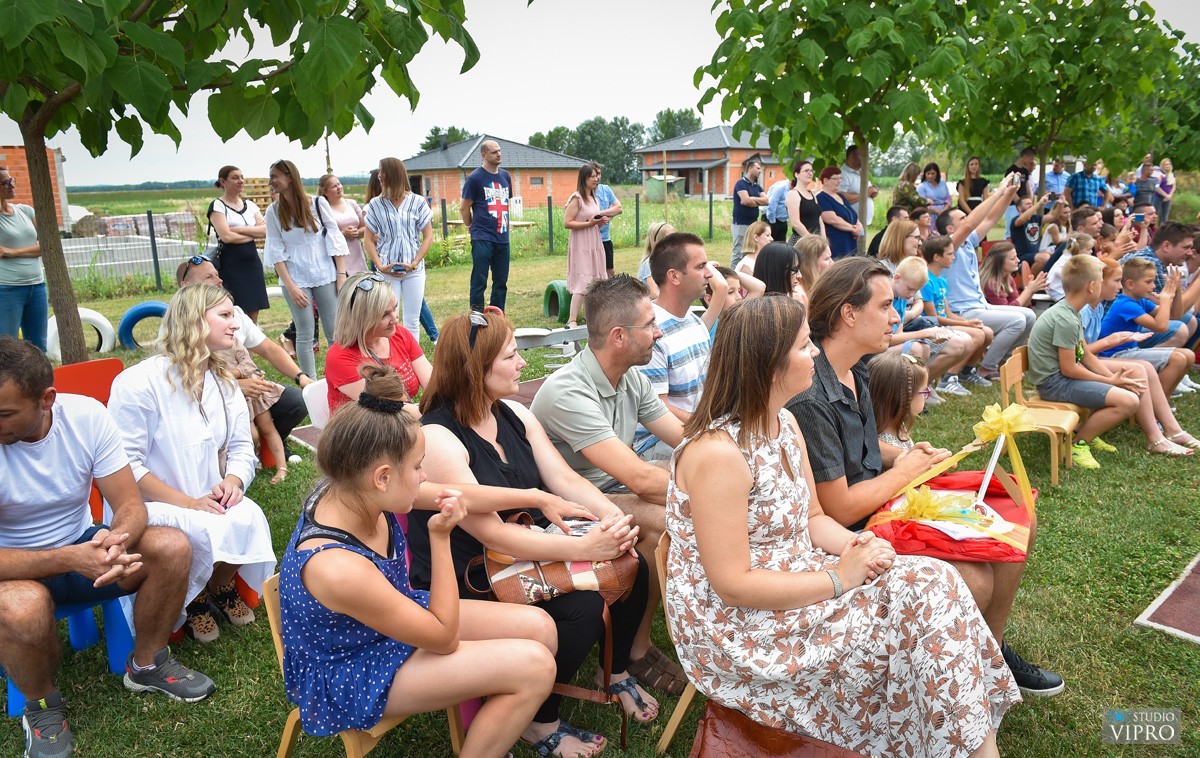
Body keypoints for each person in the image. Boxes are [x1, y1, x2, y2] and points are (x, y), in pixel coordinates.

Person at [666, 296, 1018, 757]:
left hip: (795, 578)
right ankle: (963, 744)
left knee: (935, 581)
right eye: (802, 345)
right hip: (742, 629)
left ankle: (965, 743)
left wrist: (861, 545)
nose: (814, 353)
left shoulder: (784, 422)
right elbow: (733, 586)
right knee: (924, 608)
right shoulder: (718, 455)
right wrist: (840, 577)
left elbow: (812, 519)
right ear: (768, 365)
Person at [788, 256, 1062, 696]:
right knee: (974, 577)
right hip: (852, 533)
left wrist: (905, 456)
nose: (896, 316)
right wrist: (906, 471)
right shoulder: (810, 396)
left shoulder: (855, 365)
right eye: (885, 306)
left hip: (880, 505)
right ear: (848, 313)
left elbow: (858, 444)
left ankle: (989, 652)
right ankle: (956, 671)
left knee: (1014, 519)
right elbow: (838, 509)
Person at [279, 364, 558, 758]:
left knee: (541, 628)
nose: (424, 476)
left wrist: (537, 496)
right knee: (535, 667)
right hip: (350, 667)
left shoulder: (354, 485)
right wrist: (439, 537)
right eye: (418, 467)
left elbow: (457, 493)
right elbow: (443, 638)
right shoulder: (336, 567)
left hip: (385, 620)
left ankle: (502, 723)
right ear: (382, 477)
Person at [409, 310, 654, 757]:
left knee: (633, 559)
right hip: (471, 577)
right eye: (511, 355)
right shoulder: (440, 438)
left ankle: (614, 673)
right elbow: (494, 536)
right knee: (581, 605)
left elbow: (565, 480)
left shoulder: (514, 414)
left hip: (522, 554)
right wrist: (581, 546)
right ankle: (540, 722)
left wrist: (610, 520)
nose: (523, 363)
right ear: (474, 371)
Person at [0, 336, 215, 757]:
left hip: (86, 545)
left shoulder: (85, 416)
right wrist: (69, 558)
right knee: (21, 608)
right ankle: (42, 707)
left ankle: (147, 663)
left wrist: (115, 543)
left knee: (171, 546)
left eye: (4, 413)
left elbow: (130, 504)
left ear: (47, 399)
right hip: (15, 567)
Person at [531, 276, 688, 693]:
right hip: (574, 509)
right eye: (650, 324)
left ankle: (653, 635)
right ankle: (635, 651)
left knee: (673, 495)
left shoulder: (629, 377)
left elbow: (681, 437)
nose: (658, 331)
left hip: (612, 492)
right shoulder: (569, 391)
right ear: (619, 336)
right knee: (661, 520)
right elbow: (636, 478)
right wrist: (707, 491)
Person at [108, 285, 276, 643]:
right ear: (195, 321)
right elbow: (126, 466)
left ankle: (218, 585)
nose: (236, 324)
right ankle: (193, 598)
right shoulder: (139, 383)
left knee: (249, 516)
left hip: (208, 496)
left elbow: (242, 447)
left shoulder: (223, 381)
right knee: (200, 525)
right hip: (155, 504)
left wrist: (233, 481)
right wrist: (188, 502)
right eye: (226, 315)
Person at [177, 255, 312, 462]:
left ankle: (270, 444)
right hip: (208, 401)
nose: (219, 281)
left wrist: (301, 376)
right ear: (185, 286)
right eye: (208, 277)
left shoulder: (236, 314)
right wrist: (234, 385)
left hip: (245, 391)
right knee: (244, 429)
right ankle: (236, 453)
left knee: (296, 402)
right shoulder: (178, 327)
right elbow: (186, 386)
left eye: (217, 275)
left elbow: (270, 349)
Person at [1025, 256, 1142, 469]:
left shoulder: (1070, 310)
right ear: (1092, 286)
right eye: (1101, 281)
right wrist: (1110, 381)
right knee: (1129, 402)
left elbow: (1085, 354)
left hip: (1059, 379)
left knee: (1124, 394)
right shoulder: (1066, 319)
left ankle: (1087, 432)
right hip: (1054, 384)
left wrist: (1110, 378)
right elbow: (1069, 368)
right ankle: (1078, 445)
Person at [1085, 257, 1198, 455]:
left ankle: (1163, 422)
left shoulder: (1139, 301)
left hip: (1127, 352)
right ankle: (1159, 422)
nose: (1153, 286)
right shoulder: (1125, 304)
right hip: (1115, 355)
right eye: (1149, 281)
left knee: (1187, 355)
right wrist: (1164, 299)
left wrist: (1176, 291)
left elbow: (1175, 316)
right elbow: (1162, 326)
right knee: (1178, 358)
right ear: (1131, 284)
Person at [941, 173, 1033, 381]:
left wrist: (1009, 195)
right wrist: (998, 192)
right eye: (962, 217)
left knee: (1029, 316)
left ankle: (1003, 363)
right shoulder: (948, 245)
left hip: (979, 305)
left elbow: (991, 219)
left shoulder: (967, 241)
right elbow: (968, 225)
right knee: (1017, 321)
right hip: (962, 310)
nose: (969, 218)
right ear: (949, 228)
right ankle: (986, 368)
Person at [265, 158, 349, 379]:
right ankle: (310, 383)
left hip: (324, 275)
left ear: (289, 177)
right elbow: (276, 252)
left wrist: (340, 275)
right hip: (295, 279)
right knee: (304, 332)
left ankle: (336, 378)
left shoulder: (319, 204)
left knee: (334, 331)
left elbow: (335, 238)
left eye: (274, 176)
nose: (270, 181)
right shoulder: (273, 212)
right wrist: (291, 287)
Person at [633, 233, 714, 459]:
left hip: (694, 430)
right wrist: (709, 428)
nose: (709, 273)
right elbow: (657, 408)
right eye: (701, 266)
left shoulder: (694, 322)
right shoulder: (652, 331)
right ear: (674, 276)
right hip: (655, 443)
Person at [325, 271, 431, 416]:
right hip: (364, 432)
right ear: (360, 319)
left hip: (402, 423)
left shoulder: (400, 334)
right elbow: (390, 409)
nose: (395, 319)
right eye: (384, 315)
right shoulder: (339, 357)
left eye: (394, 308)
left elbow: (433, 384)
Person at [364, 157, 434, 342]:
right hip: (387, 271)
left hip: (414, 271)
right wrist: (380, 266)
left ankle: (412, 362)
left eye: (382, 171)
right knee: (389, 319)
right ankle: (393, 361)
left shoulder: (417, 202)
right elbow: (368, 240)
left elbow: (428, 237)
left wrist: (415, 262)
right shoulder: (375, 205)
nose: (379, 176)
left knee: (412, 320)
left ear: (393, 174)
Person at [920, 236, 995, 390]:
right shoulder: (927, 281)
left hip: (944, 324)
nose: (953, 257)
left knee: (987, 332)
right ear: (936, 257)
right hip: (933, 328)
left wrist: (968, 322)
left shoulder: (942, 280)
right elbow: (933, 318)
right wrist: (965, 323)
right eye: (949, 254)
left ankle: (966, 372)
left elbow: (947, 312)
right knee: (978, 334)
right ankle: (948, 379)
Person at [207, 165, 269, 322]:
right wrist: (252, 232)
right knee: (233, 309)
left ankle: (250, 345)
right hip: (230, 264)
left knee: (254, 309)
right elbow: (226, 237)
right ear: (223, 181)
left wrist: (238, 229)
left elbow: (265, 231)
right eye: (235, 177)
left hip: (251, 263)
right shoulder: (217, 206)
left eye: (242, 177)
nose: (240, 181)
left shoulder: (251, 205)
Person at [223, 339, 289, 484]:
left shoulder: (233, 341)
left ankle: (282, 467)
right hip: (234, 395)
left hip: (253, 390)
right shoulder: (206, 346)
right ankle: (252, 461)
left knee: (267, 428)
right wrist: (230, 377)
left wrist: (231, 373)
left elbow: (248, 364)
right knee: (252, 435)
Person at [461, 140, 513, 312]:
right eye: (494, 152)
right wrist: (470, 226)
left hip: (502, 237)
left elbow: (507, 203)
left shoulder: (506, 176)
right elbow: (464, 207)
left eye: (499, 151)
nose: (499, 154)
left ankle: (497, 318)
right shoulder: (474, 178)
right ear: (483, 155)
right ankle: (476, 317)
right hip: (482, 237)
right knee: (479, 281)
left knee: (501, 282)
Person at [0, 165, 48, 351]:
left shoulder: (26, 211)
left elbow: (46, 247)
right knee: (8, 347)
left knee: (39, 346)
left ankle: (40, 381)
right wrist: (31, 250)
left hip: (36, 287)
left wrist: (11, 252)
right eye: (5, 183)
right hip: (6, 290)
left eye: (12, 180)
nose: (11, 185)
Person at [564, 162, 613, 328]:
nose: (597, 179)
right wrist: (589, 223)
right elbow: (567, 223)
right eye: (593, 176)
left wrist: (600, 222)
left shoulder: (594, 198)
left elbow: (593, 221)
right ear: (585, 178)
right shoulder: (576, 198)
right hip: (581, 244)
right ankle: (571, 320)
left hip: (595, 242)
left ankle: (588, 317)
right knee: (583, 281)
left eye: (597, 176)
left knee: (594, 279)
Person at [867, 350, 930, 451]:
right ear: (902, 398)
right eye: (924, 391)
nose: (927, 396)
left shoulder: (897, 425)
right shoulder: (885, 442)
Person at [318, 173, 368, 274]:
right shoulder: (323, 209)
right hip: (337, 257)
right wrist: (342, 235)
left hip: (357, 254)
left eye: (339, 184)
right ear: (326, 192)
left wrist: (356, 233)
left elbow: (365, 227)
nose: (339, 187)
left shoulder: (352, 203)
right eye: (334, 186)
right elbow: (320, 236)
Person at [979, 241, 1048, 307]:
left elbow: (1020, 304)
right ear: (999, 263)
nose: (1018, 260)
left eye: (1016, 257)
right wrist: (1028, 290)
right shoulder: (991, 283)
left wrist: (1032, 291)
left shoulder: (1008, 279)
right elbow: (1008, 311)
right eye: (1013, 259)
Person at [730, 157, 768, 269]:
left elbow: (766, 201)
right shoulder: (740, 184)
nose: (760, 171)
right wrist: (756, 200)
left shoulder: (757, 186)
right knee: (738, 252)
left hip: (753, 225)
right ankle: (733, 277)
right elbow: (745, 200)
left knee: (750, 251)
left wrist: (752, 200)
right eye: (758, 168)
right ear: (750, 168)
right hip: (741, 224)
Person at [816, 167, 862, 258]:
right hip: (837, 244)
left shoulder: (841, 196)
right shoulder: (821, 198)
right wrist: (853, 229)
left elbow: (852, 215)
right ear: (825, 180)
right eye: (835, 178)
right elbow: (833, 219)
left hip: (850, 244)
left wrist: (859, 226)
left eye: (840, 178)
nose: (839, 181)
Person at [1045, 232, 1095, 302]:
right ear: (1079, 249)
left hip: (1064, 290)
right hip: (1058, 292)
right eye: (1089, 249)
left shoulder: (1072, 257)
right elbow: (1061, 273)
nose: (1091, 251)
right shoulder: (1067, 260)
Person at [784, 158, 824, 244]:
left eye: (811, 171)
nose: (810, 173)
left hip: (816, 241)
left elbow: (819, 218)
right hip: (801, 242)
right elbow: (796, 223)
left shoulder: (812, 194)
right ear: (797, 174)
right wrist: (812, 240)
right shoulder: (793, 194)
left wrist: (824, 240)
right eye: (806, 170)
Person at [1010, 193, 1053, 272]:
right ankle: (1031, 279)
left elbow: (1053, 217)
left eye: (1031, 203)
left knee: (1054, 255)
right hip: (1022, 256)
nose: (1031, 205)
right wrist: (1039, 203)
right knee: (1045, 258)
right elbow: (1022, 219)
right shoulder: (1015, 220)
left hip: (1036, 254)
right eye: (1027, 204)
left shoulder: (1035, 218)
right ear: (1019, 208)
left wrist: (1060, 202)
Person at [839, 145, 879, 227]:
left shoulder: (862, 173)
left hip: (864, 222)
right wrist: (865, 194)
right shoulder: (842, 174)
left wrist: (873, 193)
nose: (866, 158)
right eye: (862, 155)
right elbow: (841, 197)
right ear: (853, 156)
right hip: (852, 223)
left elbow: (869, 191)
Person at [1000, 148, 1036, 238]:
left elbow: (1028, 188)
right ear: (1025, 157)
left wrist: (1029, 202)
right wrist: (1019, 203)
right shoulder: (1011, 171)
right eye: (1031, 159)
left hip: (1024, 205)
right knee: (1010, 230)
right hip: (1013, 206)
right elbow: (1011, 188)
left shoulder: (1025, 171)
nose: (1031, 162)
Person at [636, 221, 673, 300]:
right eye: (670, 239)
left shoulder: (670, 261)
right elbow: (653, 293)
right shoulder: (650, 263)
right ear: (657, 243)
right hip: (653, 307)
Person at [916, 162, 952, 227]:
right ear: (925, 174)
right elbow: (921, 202)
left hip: (945, 212)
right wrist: (936, 211)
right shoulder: (922, 186)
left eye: (933, 173)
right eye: (928, 173)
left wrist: (944, 210)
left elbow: (948, 198)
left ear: (937, 174)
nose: (930, 176)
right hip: (930, 214)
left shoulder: (942, 183)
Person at [763, 174, 792, 241]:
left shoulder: (794, 189)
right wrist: (772, 222)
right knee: (770, 245)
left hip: (783, 220)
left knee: (781, 246)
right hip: (773, 220)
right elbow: (772, 204)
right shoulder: (781, 187)